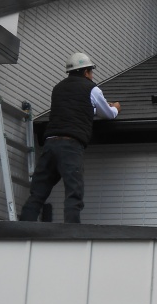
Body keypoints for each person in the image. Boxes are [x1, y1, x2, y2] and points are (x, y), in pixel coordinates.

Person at [19, 52, 120, 223]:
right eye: (91, 72)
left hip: (50, 144)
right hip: (71, 146)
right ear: (87, 72)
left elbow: (75, 109)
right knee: (74, 192)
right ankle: (72, 235)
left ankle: (21, 231)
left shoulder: (58, 88)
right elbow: (107, 114)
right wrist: (116, 107)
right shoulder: (91, 88)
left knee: (38, 193)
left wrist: (92, 109)